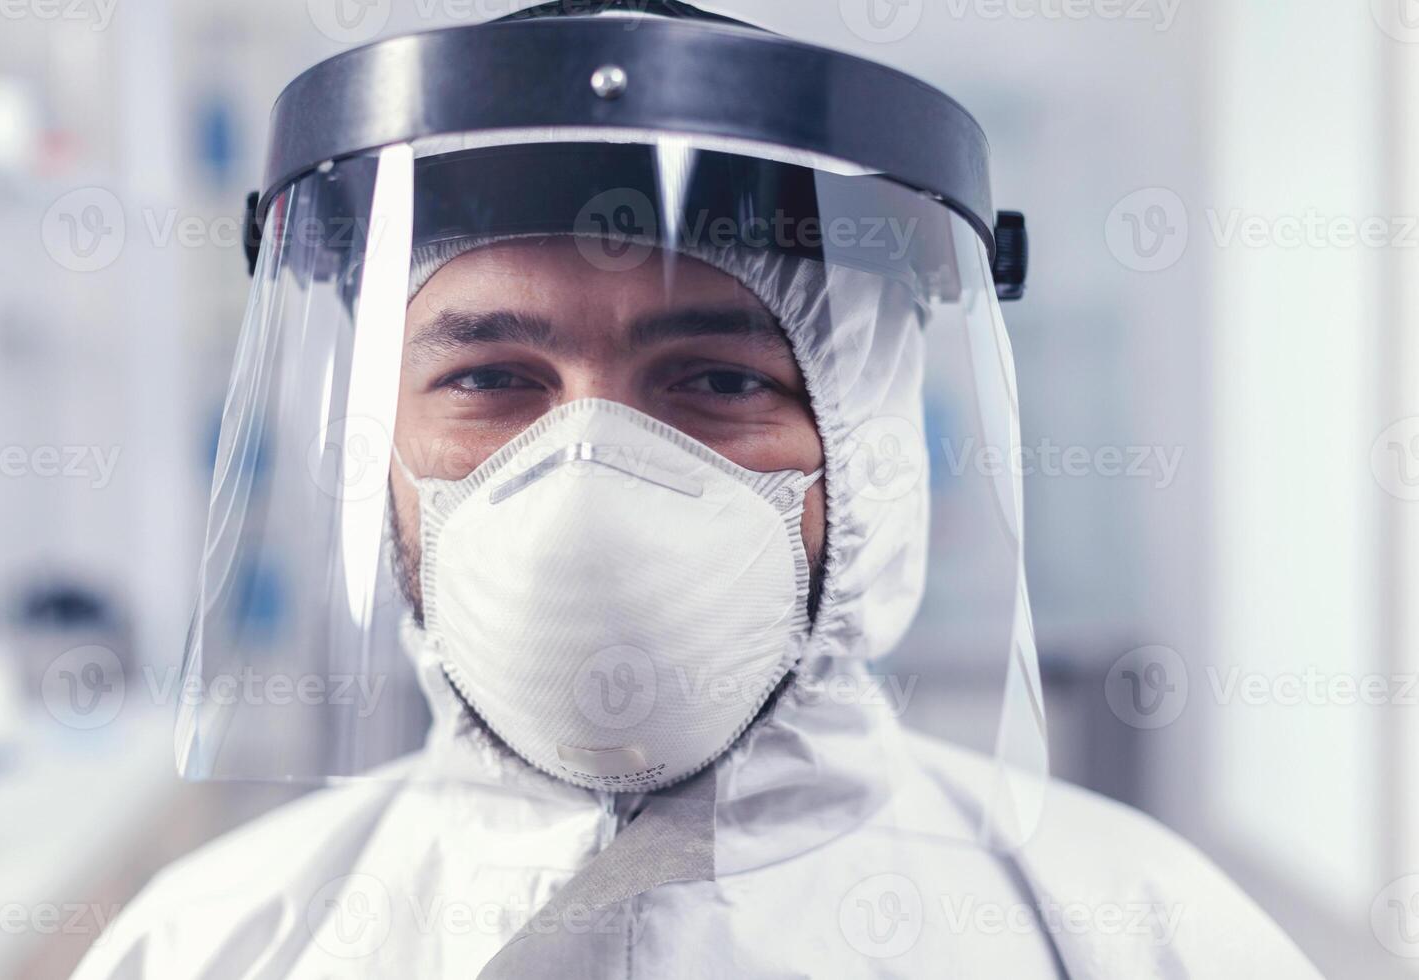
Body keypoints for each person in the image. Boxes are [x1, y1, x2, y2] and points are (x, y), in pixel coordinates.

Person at [73, 3, 1320, 977]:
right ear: (372, 443)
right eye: (493, 376)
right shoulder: (207, 945)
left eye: (717, 376)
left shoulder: (1141, 939)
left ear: (866, 437)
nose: (585, 482)